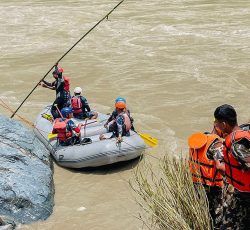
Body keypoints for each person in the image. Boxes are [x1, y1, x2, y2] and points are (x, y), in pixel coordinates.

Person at [213, 104, 250, 230]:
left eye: (217, 123)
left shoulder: (237, 146)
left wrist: (217, 153)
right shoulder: (242, 131)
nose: (216, 125)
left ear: (223, 124)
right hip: (241, 192)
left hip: (245, 195)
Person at [188, 131, 224, 229]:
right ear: (222, 125)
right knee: (217, 216)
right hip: (213, 187)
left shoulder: (197, 140)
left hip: (197, 184)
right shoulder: (216, 144)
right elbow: (221, 166)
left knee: (203, 212)